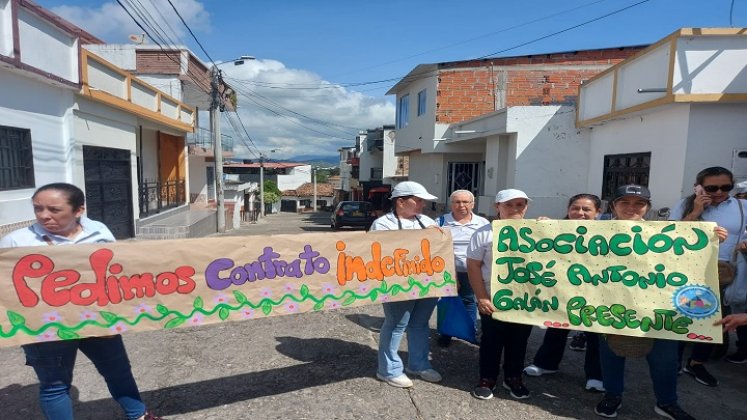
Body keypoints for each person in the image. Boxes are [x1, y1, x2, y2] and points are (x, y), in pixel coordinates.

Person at [0, 183, 160, 420]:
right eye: (38, 209)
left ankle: (139, 415)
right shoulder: (16, 242)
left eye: (54, 209)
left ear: (79, 210)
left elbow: (117, 270)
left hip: (97, 319)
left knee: (119, 372)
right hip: (47, 327)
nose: (44, 216)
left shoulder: (99, 231)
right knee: (55, 386)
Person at [595, 184, 725, 420]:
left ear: (648, 207)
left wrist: (711, 240)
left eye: (639, 203)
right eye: (625, 202)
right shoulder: (592, 232)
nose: (632, 208)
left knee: (665, 360)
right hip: (611, 306)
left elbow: (688, 247)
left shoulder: (662, 233)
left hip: (659, 310)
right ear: (613, 205)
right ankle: (612, 395)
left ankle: (667, 402)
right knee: (611, 355)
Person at [669, 167, 747, 381]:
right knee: (682, 316)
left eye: (726, 187)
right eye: (713, 187)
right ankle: (673, 361)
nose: (720, 192)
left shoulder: (743, 206)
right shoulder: (685, 205)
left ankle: (697, 364)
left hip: (724, 273)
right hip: (689, 270)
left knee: (714, 322)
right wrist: (695, 212)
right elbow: (670, 236)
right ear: (700, 187)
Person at [523, 194, 605, 392]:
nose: (580, 213)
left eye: (587, 209)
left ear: (598, 212)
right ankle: (546, 364)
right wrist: (541, 226)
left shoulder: (607, 233)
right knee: (557, 325)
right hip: (562, 289)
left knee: (596, 332)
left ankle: (596, 375)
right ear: (568, 209)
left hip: (596, 290)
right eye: (576, 208)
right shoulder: (555, 229)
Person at [371, 181, 442, 388]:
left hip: (428, 282)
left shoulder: (427, 220)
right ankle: (388, 370)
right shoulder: (383, 224)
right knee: (395, 325)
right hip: (397, 284)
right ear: (401, 202)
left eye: (423, 201)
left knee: (420, 324)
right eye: (418, 200)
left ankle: (418, 364)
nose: (422, 205)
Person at [467, 189, 535, 400]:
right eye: (508, 205)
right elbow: (473, 266)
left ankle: (513, 378)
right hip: (493, 297)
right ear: (497, 207)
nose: (515, 209)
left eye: (520, 205)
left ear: (526, 207)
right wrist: (482, 297)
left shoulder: (537, 231)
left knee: (520, 340)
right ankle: (487, 378)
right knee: (492, 340)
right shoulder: (484, 233)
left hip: (525, 300)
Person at [436, 190, 489, 347]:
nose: (461, 205)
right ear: (451, 204)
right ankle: (445, 333)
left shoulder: (483, 223)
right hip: (448, 271)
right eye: (457, 202)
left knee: (469, 301)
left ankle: (469, 332)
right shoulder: (440, 222)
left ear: (472, 204)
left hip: (474, 271)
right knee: (448, 301)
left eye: (465, 202)